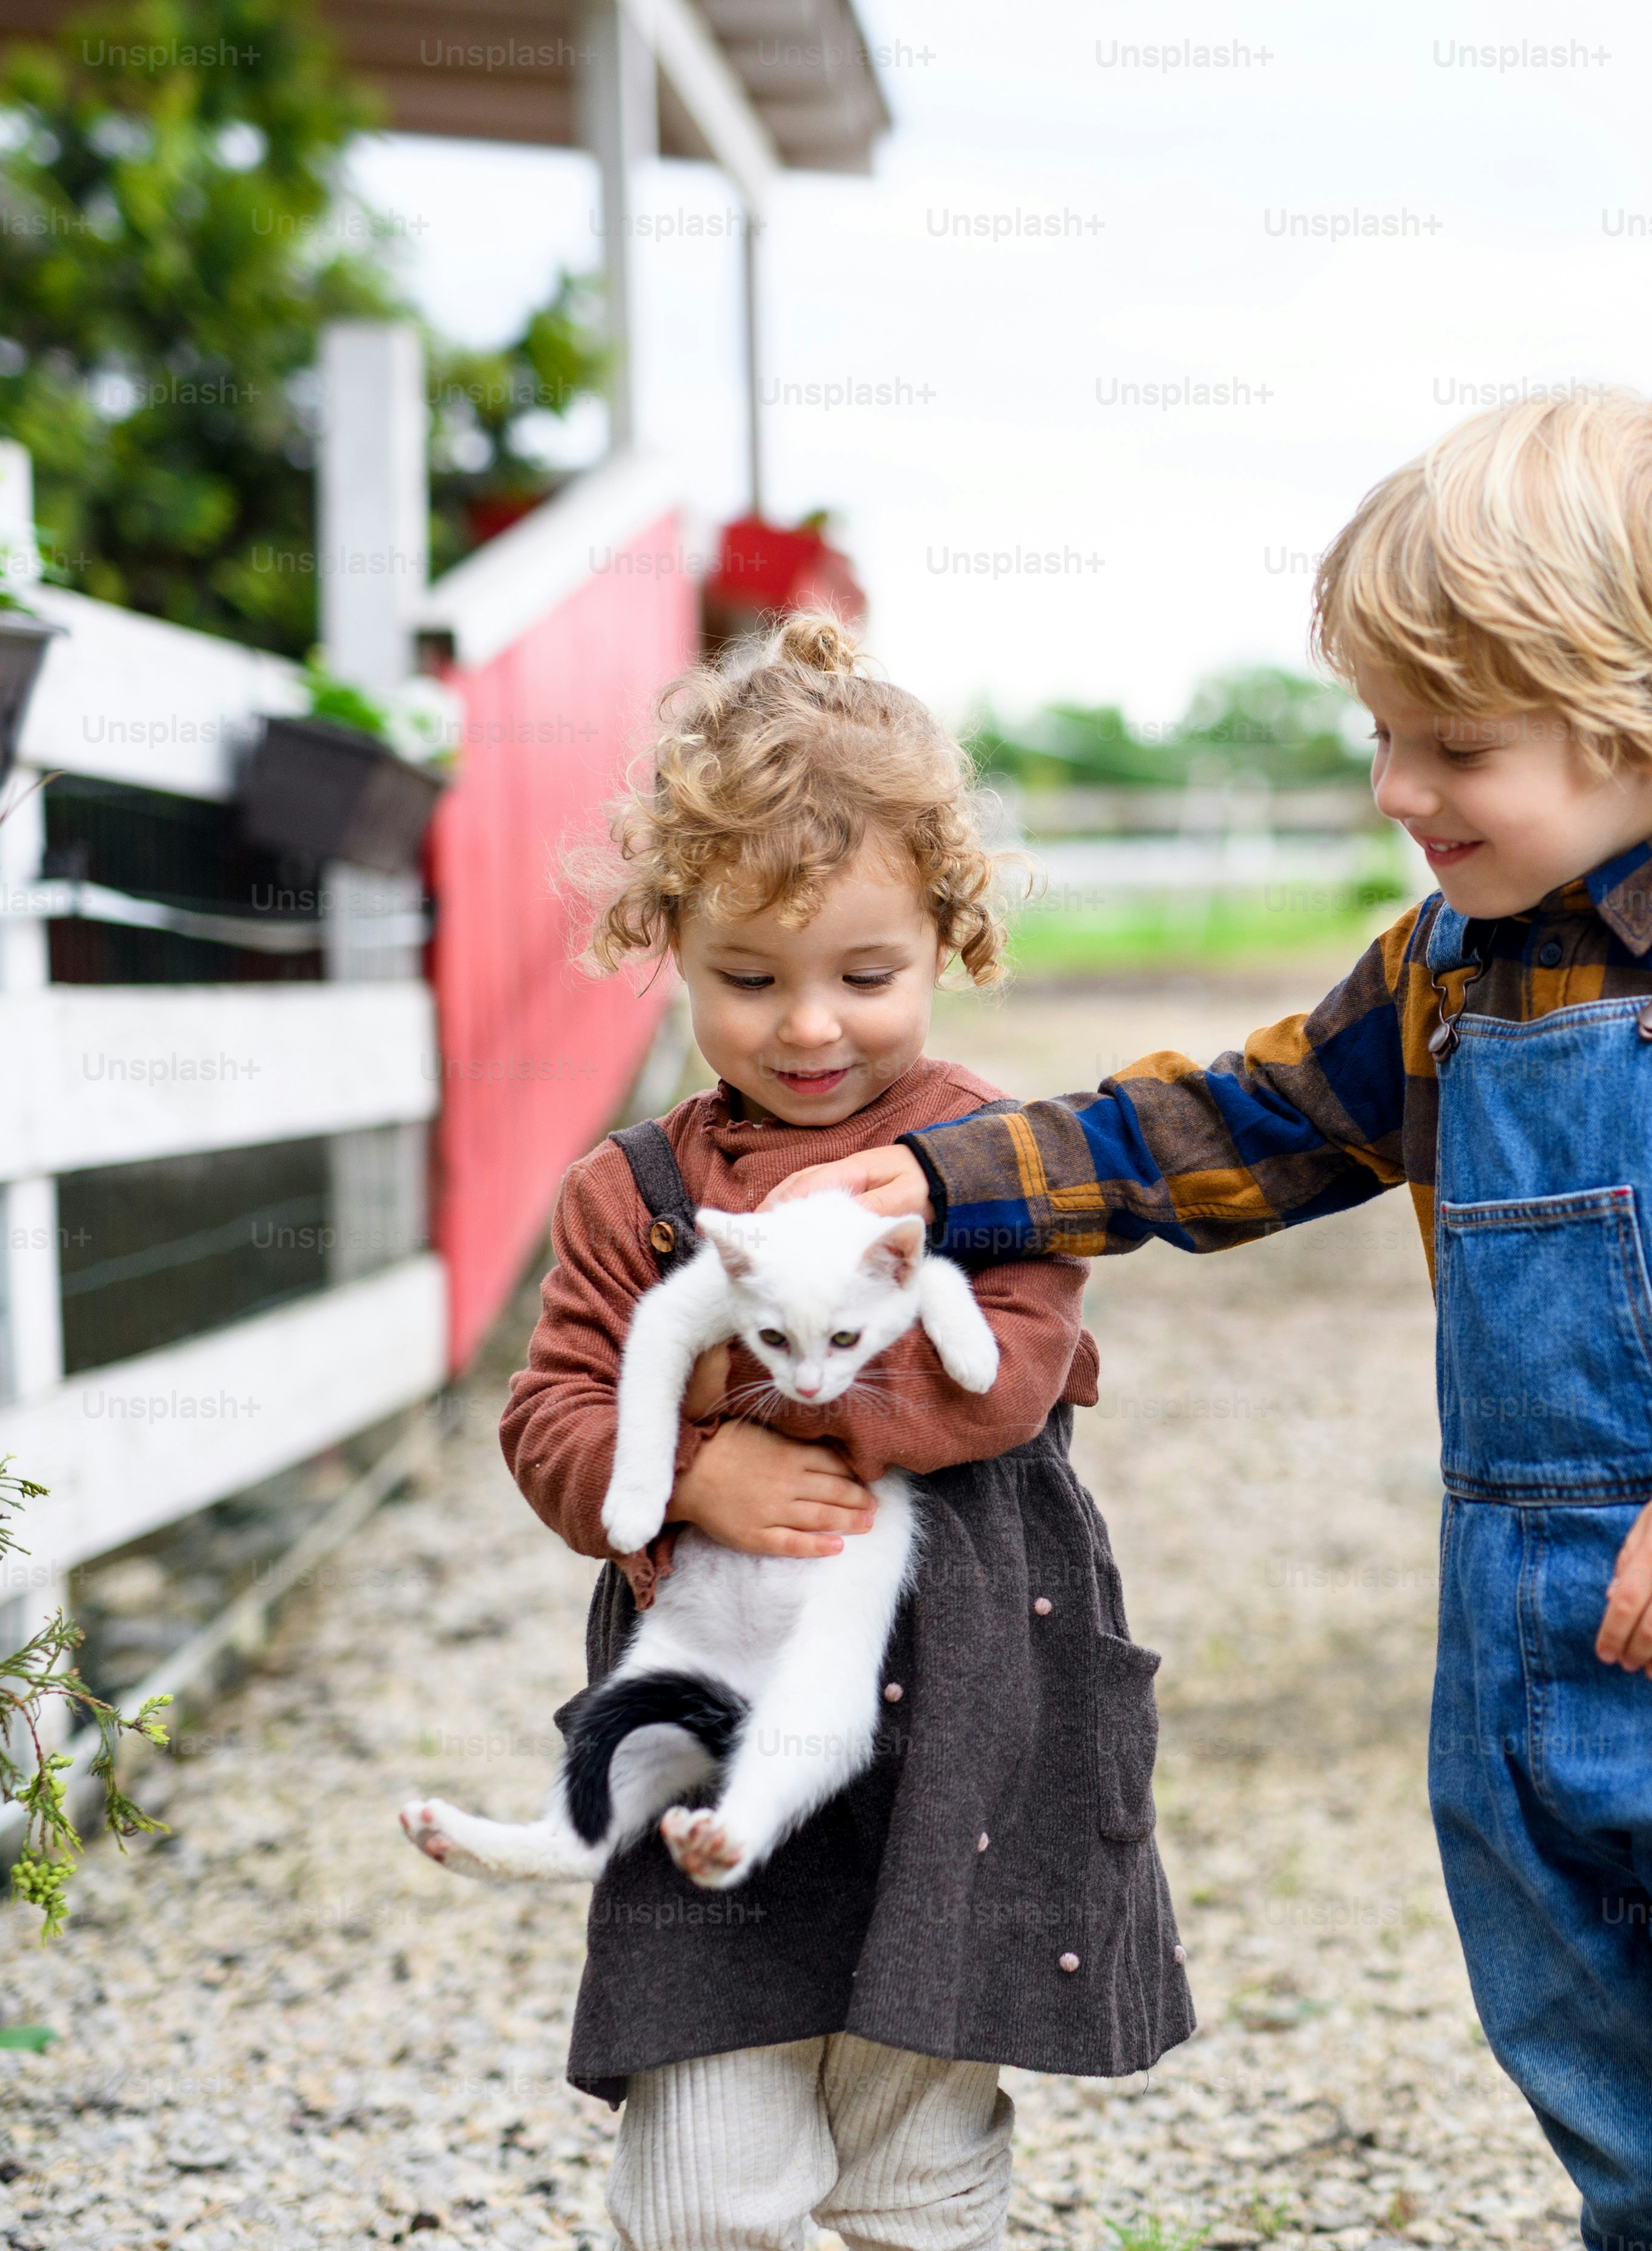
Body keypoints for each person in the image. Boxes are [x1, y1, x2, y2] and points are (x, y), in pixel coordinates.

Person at [792, 389, 1652, 2251]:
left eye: (1452, 745)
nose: (1398, 792)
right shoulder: (1445, 973)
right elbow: (1243, 1123)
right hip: (1519, 1654)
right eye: (1384, 735)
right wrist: (952, 1181)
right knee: (1630, 2134)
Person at [496, 614, 1191, 2251]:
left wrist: (808, 1406)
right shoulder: (633, 1196)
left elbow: (1009, 1368)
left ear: (947, 940)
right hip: (721, 1702)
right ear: (669, 943)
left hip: (966, 1706)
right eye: (749, 978)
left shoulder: (992, 1158)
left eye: (865, 978)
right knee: (702, 2166)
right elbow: (551, 1410)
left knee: (915, 2139)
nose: (810, 1028)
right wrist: (687, 1474)